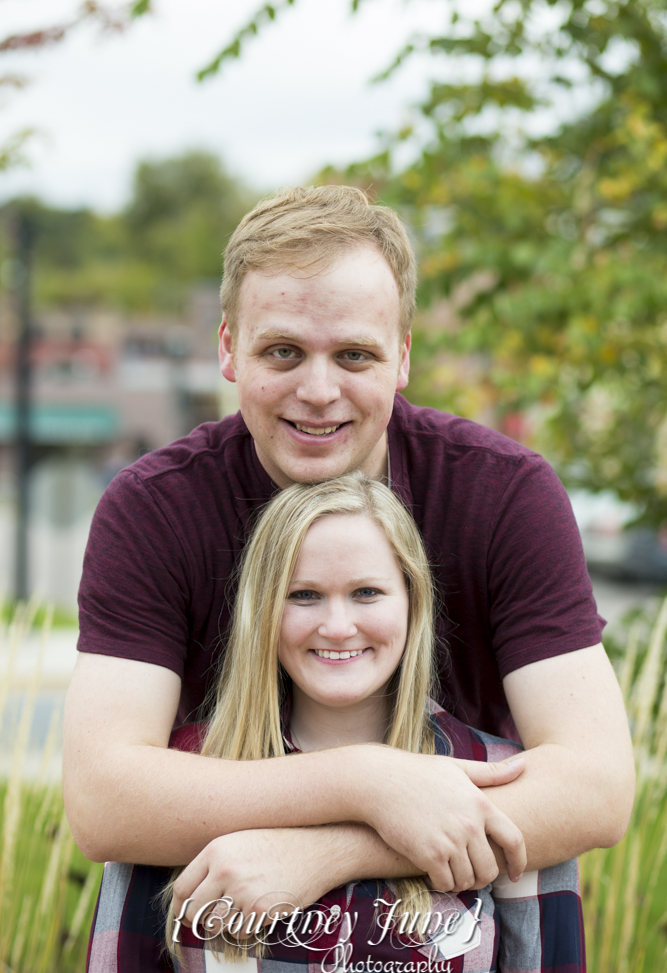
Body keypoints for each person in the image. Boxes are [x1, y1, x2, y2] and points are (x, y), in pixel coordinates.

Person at [64, 185, 633, 926]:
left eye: (354, 355)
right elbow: (103, 800)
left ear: (401, 358)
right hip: (215, 944)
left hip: (455, 947)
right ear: (229, 349)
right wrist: (365, 782)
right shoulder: (153, 508)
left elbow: (594, 787)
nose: (319, 390)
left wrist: (336, 851)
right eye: (283, 351)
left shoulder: (503, 496)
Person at [85, 473, 583, 973]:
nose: (338, 626)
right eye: (303, 596)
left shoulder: (503, 782)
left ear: (412, 603)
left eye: (367, 593)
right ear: (263, 612)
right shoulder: (173, 779)